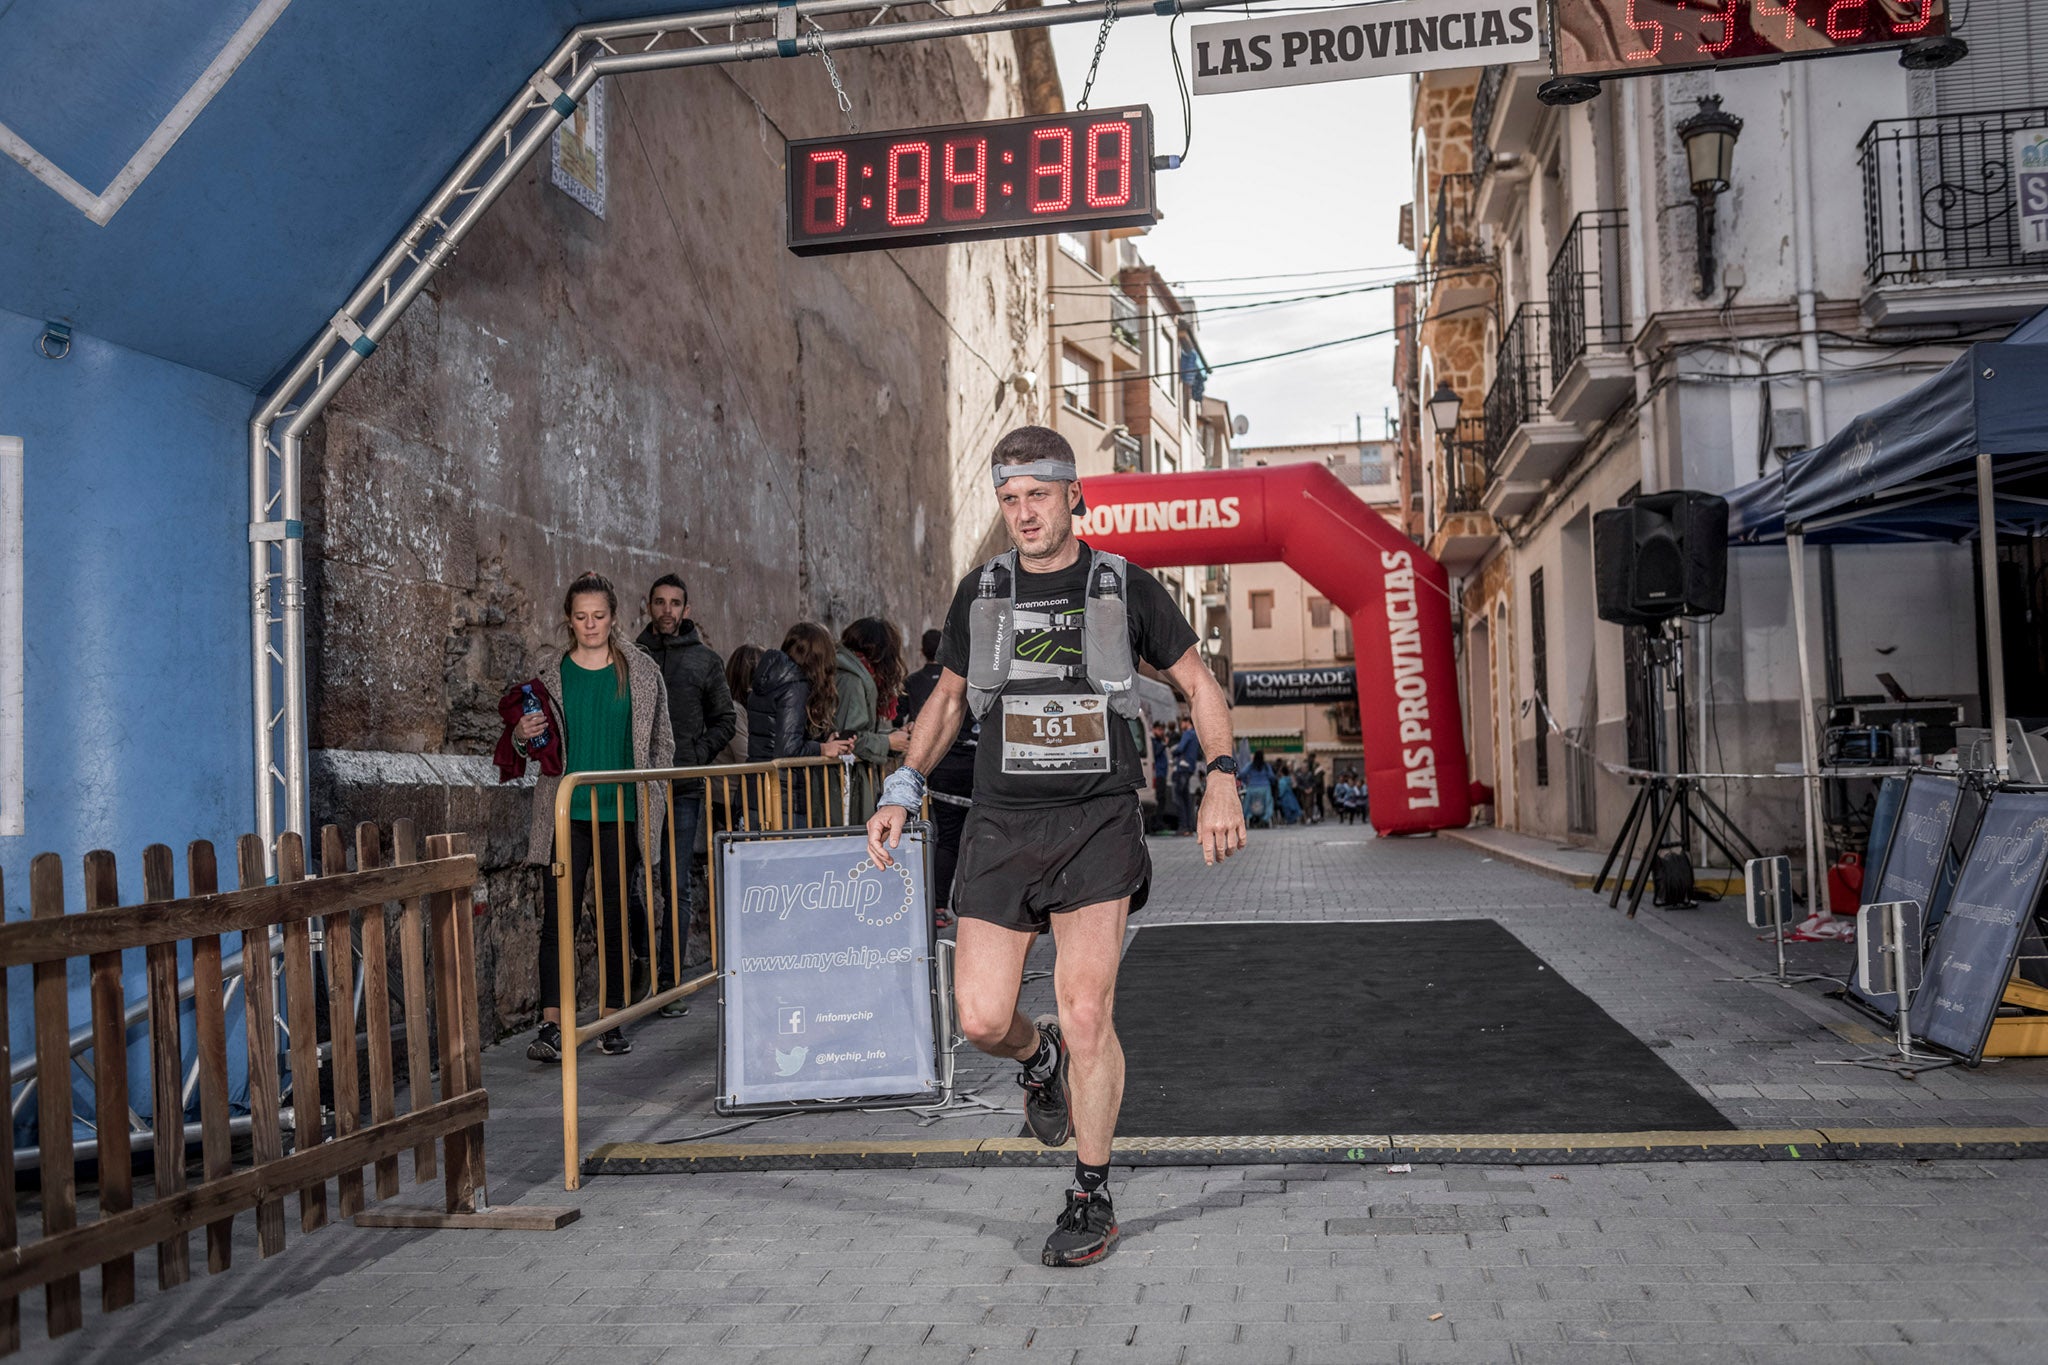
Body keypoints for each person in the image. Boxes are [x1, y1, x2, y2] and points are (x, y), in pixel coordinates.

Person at [866, 425, 1246, 1268]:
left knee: (1085, 1010)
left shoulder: (1123, 586)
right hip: (1003, 825)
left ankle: (1091, 1189)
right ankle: (1037, 1062)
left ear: (1074, 494)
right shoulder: (983, 592)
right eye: (1009, 499)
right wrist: (904, 786)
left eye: (1038, 495)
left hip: (1096, 819)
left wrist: (1221, 773)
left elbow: (1198, 682)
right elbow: (951, 700)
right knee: (982, 1017)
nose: (1024, 513)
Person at [513, 570, 674, 1063]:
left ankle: (612, 1017)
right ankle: (552, 1025)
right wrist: (523, 733)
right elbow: (524, 748)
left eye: (599, 616)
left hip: (621, 811)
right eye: (581, 617)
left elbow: (662, 740)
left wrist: (655, 793)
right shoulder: (548, 673)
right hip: (564, 813)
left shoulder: (640, 671)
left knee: (613, 915)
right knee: (556, 920)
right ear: (569, 620)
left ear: (614, 617)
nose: (590, 625)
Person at [635, 573, 736, 1014]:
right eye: (660, 602)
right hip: (636, 787)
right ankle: (639, 972)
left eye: (675, 603)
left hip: (683, 788)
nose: (667, 611)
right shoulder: (632, 658)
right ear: (649, 606)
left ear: (686, 609)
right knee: (632, 883)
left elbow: (726, 720)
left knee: (675, 886)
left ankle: (671, 983)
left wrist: (695, 753)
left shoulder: (704, 661)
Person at [747, 622, 853, 826]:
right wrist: (823, 748)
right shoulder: (795, 686)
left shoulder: (773, 680)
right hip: (785, 797)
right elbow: (787, 748)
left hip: (760, 791)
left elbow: (778, 734)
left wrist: (825, 742)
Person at [837, 617, 912, 820]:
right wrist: (887, 742)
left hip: (854, 784)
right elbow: (847, 739)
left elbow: (862, 729)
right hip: (845, 789)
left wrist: (895, 737)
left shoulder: (858, 676)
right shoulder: (852, 681)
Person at [902, 628, 945, 724]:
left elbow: (898, 715)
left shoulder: (911, 681)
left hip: (919, 734)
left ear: (922, 651)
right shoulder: (954, 681)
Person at [1170, 716, 1200, 837]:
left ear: (1187, 722)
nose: (1180, 725)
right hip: (1190, 768)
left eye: (1182, 722)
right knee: (1187, 799)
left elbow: (1181, 748)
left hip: (1182, 768)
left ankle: (1183, 827)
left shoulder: (1187, 734)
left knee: (1179, 798)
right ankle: (1189, 826)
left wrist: (1173, 751)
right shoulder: (1195, 735)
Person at [1241, 751, 1275, 828]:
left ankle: (1249, 816)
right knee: (1268, 803)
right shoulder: (1266, 766)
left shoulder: (1250, 765)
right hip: (1265, 788)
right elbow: (1272, 776)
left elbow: (1242, 773)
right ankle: (1266, 818)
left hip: (1252, 788)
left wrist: (1246, 782)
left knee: (1248, 803)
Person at [1275, 760, 1302, 825]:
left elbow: (1281, 792)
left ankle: (1288, 820)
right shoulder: (1289, 779)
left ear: (1281, 772)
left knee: (1286, 810)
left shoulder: (1282, 781)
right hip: (1291, 797)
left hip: (1285, 799)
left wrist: (1277, 797)